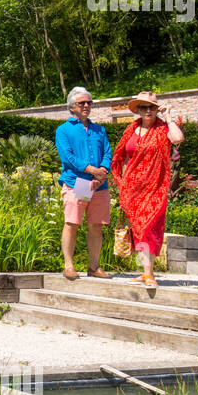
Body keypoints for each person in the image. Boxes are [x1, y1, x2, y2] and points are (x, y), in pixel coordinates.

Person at [111, 91, 185, 289]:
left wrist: (168, 116)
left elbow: (177, 138)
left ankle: (149, 273)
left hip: (155, 187)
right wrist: (123, 184)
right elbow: (122, 158)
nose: (148, 110)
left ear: (156, 109)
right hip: (132, 188)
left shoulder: (163, 129)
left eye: (151, 107)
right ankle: (145, 272)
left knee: (150, 227)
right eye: (143, 107)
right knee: (138, 230)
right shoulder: (130, 130)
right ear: (138, 110)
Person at [54, 87, 114, 280]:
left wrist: (102, 172)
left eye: (89, 102)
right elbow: (68, 157)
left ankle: (94, 267)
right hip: (79, 183)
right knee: (73, 223)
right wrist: (92, 171)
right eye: (82, 103)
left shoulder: (99, 129)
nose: (87, 106)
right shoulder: (64, 130)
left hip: (100, 185)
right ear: (72, 106)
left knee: (96, 225)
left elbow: (107, 152)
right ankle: (69, 265)